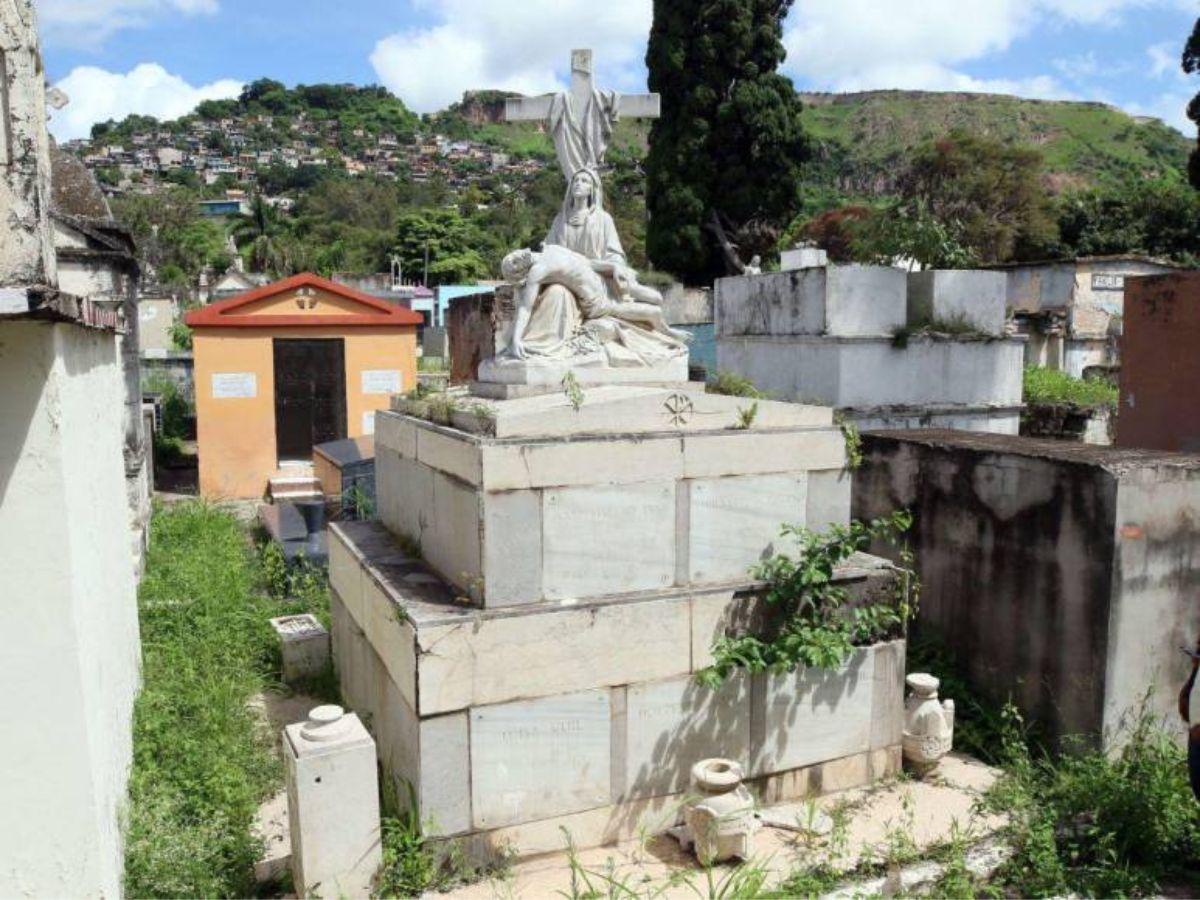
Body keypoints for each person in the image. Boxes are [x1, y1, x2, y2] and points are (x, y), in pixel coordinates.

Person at [500, 246, 690, 360]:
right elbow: (526, 307)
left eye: (511, 257)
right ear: (520, 272)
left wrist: (613, 267)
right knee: (653, 312)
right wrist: (516, 338)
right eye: (513, 265)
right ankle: (670, 335)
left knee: (657, 297)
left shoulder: (551, 249)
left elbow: (588, 263)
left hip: (606, 283)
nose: (515, 258)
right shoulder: (538, 272)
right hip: (599, 304)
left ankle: (667, 332)